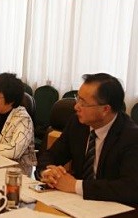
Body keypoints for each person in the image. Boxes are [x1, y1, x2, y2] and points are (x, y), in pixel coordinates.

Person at [37, 73, 138, 206]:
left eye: (83, 103)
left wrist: (75, 185)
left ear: (105, 109)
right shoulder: (77, 123)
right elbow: (50, 155)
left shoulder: (131, 136)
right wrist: (49, 173)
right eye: (78, 98)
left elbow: (130, 188)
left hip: (114, 208)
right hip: (77, 204)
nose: (76, 107)